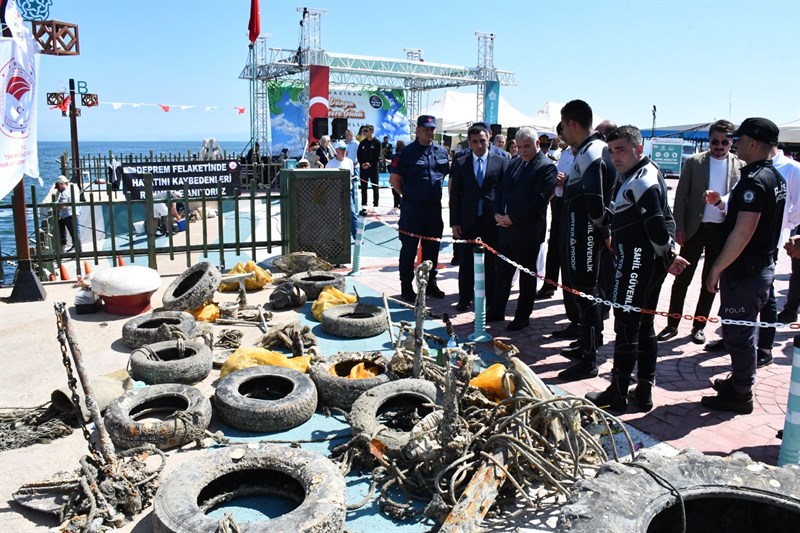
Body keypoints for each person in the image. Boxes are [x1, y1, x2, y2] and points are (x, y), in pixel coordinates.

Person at [585, 126, 687, 412]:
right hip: (636, 261)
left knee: (627, 326)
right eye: (612, 150)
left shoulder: (643, 180)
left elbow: (657, 223)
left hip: (638, 264)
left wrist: (669, 256)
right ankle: (643, 389)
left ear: (638, 150)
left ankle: (619, 393)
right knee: (643, 325)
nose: (615, 156)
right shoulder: (638, 173)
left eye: (622, 150)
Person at [701, 118, 786, 414]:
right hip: (758, 267)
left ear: (752, 143)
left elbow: (743, 231)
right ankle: (739, 383)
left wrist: (716, 268)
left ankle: (740, 394)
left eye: (738, 140)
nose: (733, 144)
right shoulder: (773, 176)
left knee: (738, 336)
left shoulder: (754, 180)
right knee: (742, 333)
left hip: (745, 271)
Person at [657, 120, 744, 345]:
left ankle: (699, 325)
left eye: (725, 142)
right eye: (715, 141)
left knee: (710, 281)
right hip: (694, 230)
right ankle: (672, 323)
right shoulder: (694, 162)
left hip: (721, 232)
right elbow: (681, 197)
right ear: (709, 140)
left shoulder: (740, 165)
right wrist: (679, 228)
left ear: (731, 142)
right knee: (682, 278)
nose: (719, 146)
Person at [556, 100, 614, 382]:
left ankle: (590, 358)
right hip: (578, 235)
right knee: (582, 292)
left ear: (572, 123)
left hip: (587, 237)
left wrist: (604, 234)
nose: (562, 133)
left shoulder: (593, 152)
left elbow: (596, 202)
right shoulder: (587, 150)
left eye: (563, 125)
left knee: (587, 294)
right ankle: (587, 342)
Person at [488, 127, 556, 330]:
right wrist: (498, 214)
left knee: (527, 276)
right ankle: (497, 310)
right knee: (503, 273)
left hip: (527, 232)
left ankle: (522, 316)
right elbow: (501, 190)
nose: (523, 150)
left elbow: (539, 201)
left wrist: (512, 219)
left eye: (527, 146)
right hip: (505, 228)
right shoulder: (515, 162)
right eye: (519, 147)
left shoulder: (546, 167)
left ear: (537, 144)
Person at [389, 115, 450, 301]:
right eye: (425, 129)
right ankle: (406, 286)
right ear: (417, 129)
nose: (429, 132)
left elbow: (446, 175)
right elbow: (395, 180)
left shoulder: (441, 152)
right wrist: (408, 197)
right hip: (412, 210)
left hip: (433, 210)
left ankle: (430, 284)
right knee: (408, 250)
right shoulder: (406, 153)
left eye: (432, 129)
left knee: (432, 249)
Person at [449, 124, 509, 312]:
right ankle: (464, 298)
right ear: (469, 142)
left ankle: (490, 299)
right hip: (468, 220)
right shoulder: (461, 162)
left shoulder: (501, 161)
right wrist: (454, 222)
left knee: (492, 263)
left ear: (488, 139)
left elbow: (505, 191)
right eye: (474, 142)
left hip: (491, 220)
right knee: (465, 262)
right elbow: (455, 194)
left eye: (482, 141)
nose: (479, 145)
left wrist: (503, 215)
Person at [326, 141, 358, 239]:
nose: (344, 151)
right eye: (342, 149)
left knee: (352, 213)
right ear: (336, 150)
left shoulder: (349, 162)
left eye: (345, 149)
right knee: (334, 215)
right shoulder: (330, 165)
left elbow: (351, 175)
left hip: (348, 191)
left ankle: (356, 236)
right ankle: (334, 237)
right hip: (334, 193)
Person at [357, 125, 382, 207]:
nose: (364, 132)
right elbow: (359, 155)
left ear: (371, 131)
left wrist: (370, 164)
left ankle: (376, 205)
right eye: (364, 131)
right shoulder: (362, 143)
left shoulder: (377, 143)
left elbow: (378, 156)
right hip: (364, 169)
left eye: (366, 131)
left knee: (375, 188)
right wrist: (362, 164)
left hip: (373, 169)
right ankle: (364, 205)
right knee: (363, 188)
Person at [55, 175, 80, 252]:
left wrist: (56, 207)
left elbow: (62, 206)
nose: (58, 189)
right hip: (75, 212)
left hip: (69, 215)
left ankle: (77, 249)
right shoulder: (72, 189)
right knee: (75, 232)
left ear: (61, 184)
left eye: (58, 186)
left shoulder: (64, 193)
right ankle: (77, 248)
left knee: (74, 233)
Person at [389, 140, 406, 215]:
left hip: (398, 176)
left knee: (396, 192)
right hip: (405, 177)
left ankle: (397, 207)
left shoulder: (397, 156)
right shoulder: (406, 155)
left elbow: (394, 167)